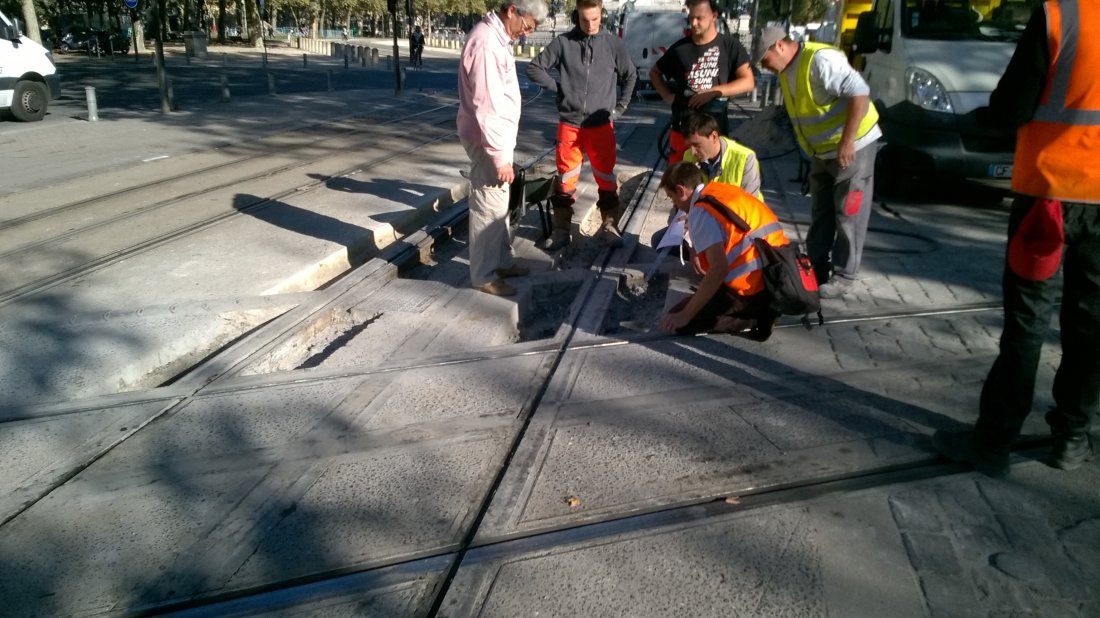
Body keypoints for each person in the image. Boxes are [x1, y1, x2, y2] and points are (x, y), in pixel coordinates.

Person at [933, 1, 1098, 477]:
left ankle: (994, 441)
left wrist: (982, 117)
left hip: (1049, 197)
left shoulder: (1061, 14)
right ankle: (1071, 438)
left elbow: (1012, 107)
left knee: (1027, 324)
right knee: (1092, 326)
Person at [757, 26, 881, 299]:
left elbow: (859, 92)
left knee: (848, 214)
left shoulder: (820, 60)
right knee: (821, 213)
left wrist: (847, 141)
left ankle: (844, 276)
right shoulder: (787, 71)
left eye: (765, 60)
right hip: (822, 154)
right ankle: (816, 268)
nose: (766, 67)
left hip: (854, 147)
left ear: (779, 46)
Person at [526, 0, 637, 251]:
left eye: (595, 19)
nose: (590, 25)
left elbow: (630, 75)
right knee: (565, 179)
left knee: (606, 179)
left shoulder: (612, 44)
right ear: (577, 16)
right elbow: (534, 68)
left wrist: (620, 108)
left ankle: (609, 226)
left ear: (601, 15)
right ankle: (562, 229)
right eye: (585, 20)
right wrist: (559, 89)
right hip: (570, 124)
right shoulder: (563, 43)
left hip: (600, 125)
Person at [457, 0, 549, 296]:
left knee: (498, 204)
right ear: (513, 10)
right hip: (488, 141)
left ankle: (502, 260)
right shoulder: (486, 44)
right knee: (488, 206)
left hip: (493, 140)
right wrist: (499, 156)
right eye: (526, 27)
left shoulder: (497, 38)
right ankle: (484, 275)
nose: (525, 34)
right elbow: (487, 105)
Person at [657, 161, 787, 340]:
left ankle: (757, 317)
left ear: (681, 190)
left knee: (676, 321)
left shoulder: (700, 212)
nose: (675, 205)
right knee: (691, 307)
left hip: (751, 286)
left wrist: (685, 315)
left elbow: (719, 269)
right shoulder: (718, 191)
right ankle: (762, 306)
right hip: (777, 271)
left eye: (672, 198)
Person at [649, 0, 755, 164]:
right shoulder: (679, 49)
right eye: (690, 18)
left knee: (713, 182)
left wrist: (713, 92)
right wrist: (668, 97)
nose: (694, 23)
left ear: (714, 16)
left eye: (699, 18)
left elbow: (748, 82)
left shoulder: (729, 46)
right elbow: (655, 73)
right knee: (679, 181)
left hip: (715, 132)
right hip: (682, 130)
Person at [680, 110, 762, 200]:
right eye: (689, 146)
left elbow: (750, 205)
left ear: (714, 137)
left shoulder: (745, 158)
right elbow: (683, 200)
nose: (693, 152)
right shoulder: (688, 156)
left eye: (697, 145)